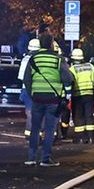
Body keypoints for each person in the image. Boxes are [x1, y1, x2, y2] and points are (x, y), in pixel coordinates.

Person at [23, 32, 70, 166]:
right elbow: (68, 79)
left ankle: (31, 158)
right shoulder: (58, 59)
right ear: (51, 44)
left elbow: (27, 79)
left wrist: (32, 93)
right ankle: (45, 158)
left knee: (35, 128)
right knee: (49, 129)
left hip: (37, 98)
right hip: (53, 99)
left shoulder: (33, 58)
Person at [69, 47, 94, 144]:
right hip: (89, 94)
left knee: (78, 116)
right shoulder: (90, 66)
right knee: (89, 115)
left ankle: (80, 138)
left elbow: (70, 82)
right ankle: (90, 138)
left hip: (77, 95)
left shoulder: (72, 69)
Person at [18, 37, 41, 127]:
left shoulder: (25, 60)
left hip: (27, 89)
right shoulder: (42, 59)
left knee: (30, 112)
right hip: (41, 88)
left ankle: (30, 134)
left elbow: (21, 77)